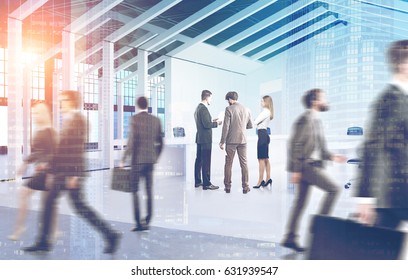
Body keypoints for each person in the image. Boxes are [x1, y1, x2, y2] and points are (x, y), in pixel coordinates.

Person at [24, 90, 120, 254]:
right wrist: (49, 169)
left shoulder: (79, 120)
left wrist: (74, 175)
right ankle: (43, 242)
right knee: (56, 204)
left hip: (70, 174)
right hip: (63, 173)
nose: (60, 104)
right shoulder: (69, 121)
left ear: (71, 102)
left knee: (79, 207)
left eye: (63, 101)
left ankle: (111, 235)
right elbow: (62, 150)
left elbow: (76, 149)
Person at [282, 88, 346, 252]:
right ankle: (319, 228)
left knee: (300, 203)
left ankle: (289, 237)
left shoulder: (316, 120)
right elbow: (294, 144)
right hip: (307, 166)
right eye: (323, 98)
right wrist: (296, 170)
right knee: (334, 189)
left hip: (312, 164)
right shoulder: (305, 119)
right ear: (315, 101)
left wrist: (333, 157)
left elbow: (322, 149)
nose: (326, 101)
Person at [356, 40, 408, 230]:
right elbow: (372, 149)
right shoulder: (387, 101)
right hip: (393, 196)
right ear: (403, 66)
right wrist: (365, 197)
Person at [8, 102, 58, 240]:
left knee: (27, 195)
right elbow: (36, 152)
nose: (34, 115)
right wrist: (25, 163)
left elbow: (53, 154)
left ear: (43, 115)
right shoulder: (40, 130)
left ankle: (20, 229)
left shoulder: (48, 131)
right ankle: (54, 230)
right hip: (40, 171)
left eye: (36, 113)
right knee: (47, 202)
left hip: (46, 172)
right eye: (33, 113)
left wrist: (50, 173)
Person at [121, 96, 163, 231]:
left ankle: (139, 223)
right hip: (150, 161)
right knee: (149, 190)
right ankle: (148, 220)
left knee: (134, 191)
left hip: (137, 162)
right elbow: (161, 143)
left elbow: (132, 142)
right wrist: (155, 157)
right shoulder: (156, 120)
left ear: (137, 106)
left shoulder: (135, 119)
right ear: (147, 105)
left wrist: (123, 159)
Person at [219, 91, 253, 194]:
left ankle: (228, 187)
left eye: (227, 100)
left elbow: (226, 127)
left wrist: (222, 142)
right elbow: (250, 125)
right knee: (244, 164)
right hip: (243, 140)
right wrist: (241, 126)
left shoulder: (229, 109)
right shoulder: (246, 109)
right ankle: (245, 187)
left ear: (230, 99)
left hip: (231, 141)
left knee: (228, 163)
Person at [194, 90, 222, 190]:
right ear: (207, 98)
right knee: (206, 161)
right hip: (206, 139)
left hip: (199, 138)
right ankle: (207, 183)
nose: (211, 100)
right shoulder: (204, 109)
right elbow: (206, 125)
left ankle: (197, 181)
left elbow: (204, 122)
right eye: (211, 98)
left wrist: (212, 120)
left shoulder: (198, 108)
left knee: (199, 160)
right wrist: (217, 123)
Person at [252, 95, 274, 189]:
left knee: (261, 159)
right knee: (265, 159)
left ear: (266, 102)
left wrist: (250, 117)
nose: (261, 103)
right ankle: (268, 178)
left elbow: (255, 122)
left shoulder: (265, 111)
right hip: (264, 135)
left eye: (262, 101)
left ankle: (260, 180)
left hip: (262, 136)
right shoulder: (268, 112)